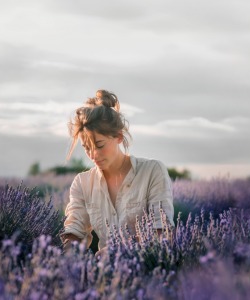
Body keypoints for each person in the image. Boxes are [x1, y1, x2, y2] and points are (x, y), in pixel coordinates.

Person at [61, 90, 175, 255]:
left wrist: (117, 253)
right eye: (87, 148)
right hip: (104, 276)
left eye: (100, 145)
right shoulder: (82, 182)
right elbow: (74, 230)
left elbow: (162, 235)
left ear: (119, 137)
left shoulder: (152, 172)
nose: (93, 155)